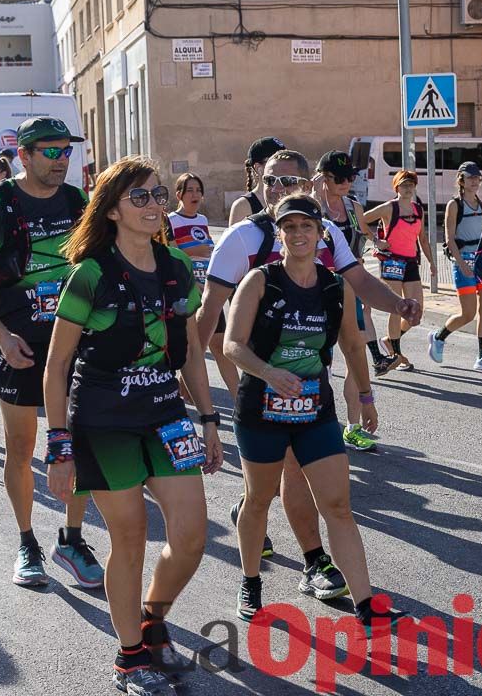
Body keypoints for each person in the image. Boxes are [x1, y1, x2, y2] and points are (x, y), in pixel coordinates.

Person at [199, 148, 420, 586]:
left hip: (308, 379)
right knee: (279, 478)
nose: (276, 190)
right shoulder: (242, 239)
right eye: (269, 182)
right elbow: (207, 324)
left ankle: (313, 559)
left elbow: (358, 287)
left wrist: (397, 304)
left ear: (305, 187)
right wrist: (217, 398)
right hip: (254, 375)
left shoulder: (326, 237)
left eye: (287, 182)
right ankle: (279, 545)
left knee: (297, 474)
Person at [43, 157, 222, 694]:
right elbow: (56, 368)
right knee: (131, 536)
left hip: (166, 415)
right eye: (139, 197)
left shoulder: (176, 267)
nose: (153, 205)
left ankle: (152, 615)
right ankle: (130, 658)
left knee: (191, 537)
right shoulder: (90, 274)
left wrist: (209, 419)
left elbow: (191, 350)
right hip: (104, 422)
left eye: (157, 194)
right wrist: (59, 447)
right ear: (113, 210)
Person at [224, 193, 406, 636]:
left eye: (307, 226)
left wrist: (364, 395)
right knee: (258, 499)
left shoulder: (333, 285)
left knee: (338, 504)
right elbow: (232, 345)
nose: (298, 234)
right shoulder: (259, 281)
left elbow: (350, 343)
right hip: (262, 410)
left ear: (321, 233)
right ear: (279, 234)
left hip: (314, 410)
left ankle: (366, 605)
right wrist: (268, 372)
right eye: (290, 227)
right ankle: (250, 584)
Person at [0, 117, 102, 590]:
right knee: (21, 449)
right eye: (51, 152)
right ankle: (27, 542)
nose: (62, 160)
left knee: (79, 440)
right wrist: (0, 336)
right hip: (18, 339)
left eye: (67, 151)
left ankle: (72, 538)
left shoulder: (78, 200)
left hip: (73, 336)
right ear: (24, 155)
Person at [315, 150, 394, 442]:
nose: (347, 182)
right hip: (316, 293)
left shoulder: (353, 207)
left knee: (355, 355)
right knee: (321, 362)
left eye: (351, 176)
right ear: (323, 178)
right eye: (340, 178)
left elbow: (363, 237)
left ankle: (353, 426)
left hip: (349, 290)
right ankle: (320, 422)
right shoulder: (311, 208)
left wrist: (378, 242)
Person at [167, 173, 239, 397]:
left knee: (218, 344)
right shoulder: (171, 220)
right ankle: (185, 390)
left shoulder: (202, 220)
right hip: (186, 292)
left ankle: (240, 398)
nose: (195, 194)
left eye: (198, 190)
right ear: (179, 194)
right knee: (192, 345)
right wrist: (193, 252)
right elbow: (170, 255)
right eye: (190, 190)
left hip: (209, 291)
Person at [429, 162, 482, 372]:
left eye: (477, 178)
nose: (475, 182)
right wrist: (461, 264)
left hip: (481, 263)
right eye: (470, 178)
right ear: (461, 180)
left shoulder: (481, 204)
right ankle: (438, 336)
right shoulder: (455, 205)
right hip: (463, 263)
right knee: (468, 313)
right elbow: (449, 239)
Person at [362, 170, 435, 371]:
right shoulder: (389, 208)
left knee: (416, 311)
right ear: (396, 187)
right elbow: (360, 220)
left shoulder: (418, 209)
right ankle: (396, 354)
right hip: (392, 261)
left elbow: (423, 239)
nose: (408, 188)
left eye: (411, 184)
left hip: (411, 262)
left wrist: (432, 263)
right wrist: (376, 241)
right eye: (404, 184)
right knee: (397, 308)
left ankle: (390, 340)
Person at [227, 137, 285, 225]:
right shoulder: (243, 206)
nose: (283, 165)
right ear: (259, 168)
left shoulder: (288, 197)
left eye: (285, 160)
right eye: (276, 161)